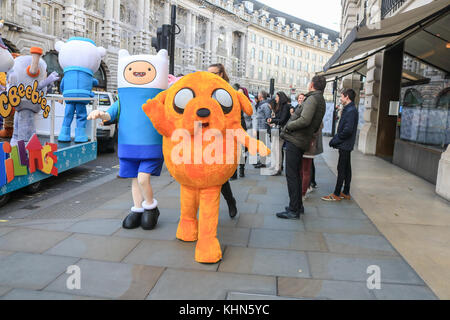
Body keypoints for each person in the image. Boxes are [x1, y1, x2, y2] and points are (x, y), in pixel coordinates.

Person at [277, 75, 327, 219]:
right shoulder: (319, 99)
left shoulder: (312, 99)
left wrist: (288, 126)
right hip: (301, 139)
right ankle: (297, 205)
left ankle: (294, 210)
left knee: (292, 174)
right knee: (297, 174)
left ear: (312, 84)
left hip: (296, 139)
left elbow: (305, 120)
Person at [207, 63, 238, 218]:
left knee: (220, 176)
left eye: (212, 72)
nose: (209, 75)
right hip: (206, 137)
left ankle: (230, 201)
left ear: (220, 74)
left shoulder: (227, 91)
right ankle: (209, 208)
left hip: (223, 137)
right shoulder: (205, 89)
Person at [321, 89, 359, 202]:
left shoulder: (351, 110)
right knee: (347, 168)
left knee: (341, 168)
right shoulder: (350, 109)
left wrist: (336, 139)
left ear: (347, 97)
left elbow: (348, 130)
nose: (340, 99)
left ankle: (337, 193)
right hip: (346, 144)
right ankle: (346, 192)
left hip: (345, 145)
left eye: (341, 97)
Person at [267, 92, 290, 175]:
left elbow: (283, 120)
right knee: (274, 148)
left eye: (276, 97)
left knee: (277, 149)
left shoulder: (285, 107)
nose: (275, 98)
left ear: (280, 97)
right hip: (276, 130)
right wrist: (271, 119)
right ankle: (274, 165)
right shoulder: (280, 107)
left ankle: (278, 168)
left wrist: (272, 120)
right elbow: (277, 118)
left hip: (281, 131)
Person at [302, 122, 323, 200]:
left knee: (305, 170)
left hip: (307, 146)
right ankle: (306, 189)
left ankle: (304, 191)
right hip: (309, 145)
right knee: (306, 169)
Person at [254, 90, 271, 168]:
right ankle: (260, 160)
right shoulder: (260, 104)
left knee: (262, 145)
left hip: (262, 128)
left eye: (258, 94)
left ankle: (263, 162)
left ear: (261, 96)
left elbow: (268, 116)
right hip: (259, 127)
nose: (257, 95)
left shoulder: (265, 105)